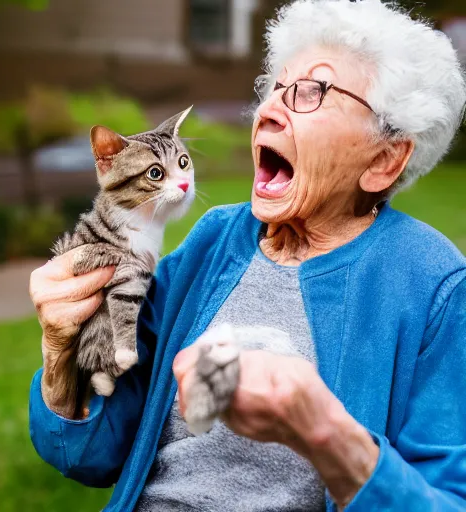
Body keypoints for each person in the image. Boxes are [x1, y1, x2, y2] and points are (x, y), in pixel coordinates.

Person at [28, 0, 466, 510]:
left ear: (385, 159)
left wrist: (326, 434)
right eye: (274, 87)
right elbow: (94, 453)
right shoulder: (216, 240)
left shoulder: (434, 284)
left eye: (310, 93)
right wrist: (62, 352)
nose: (269, 110)